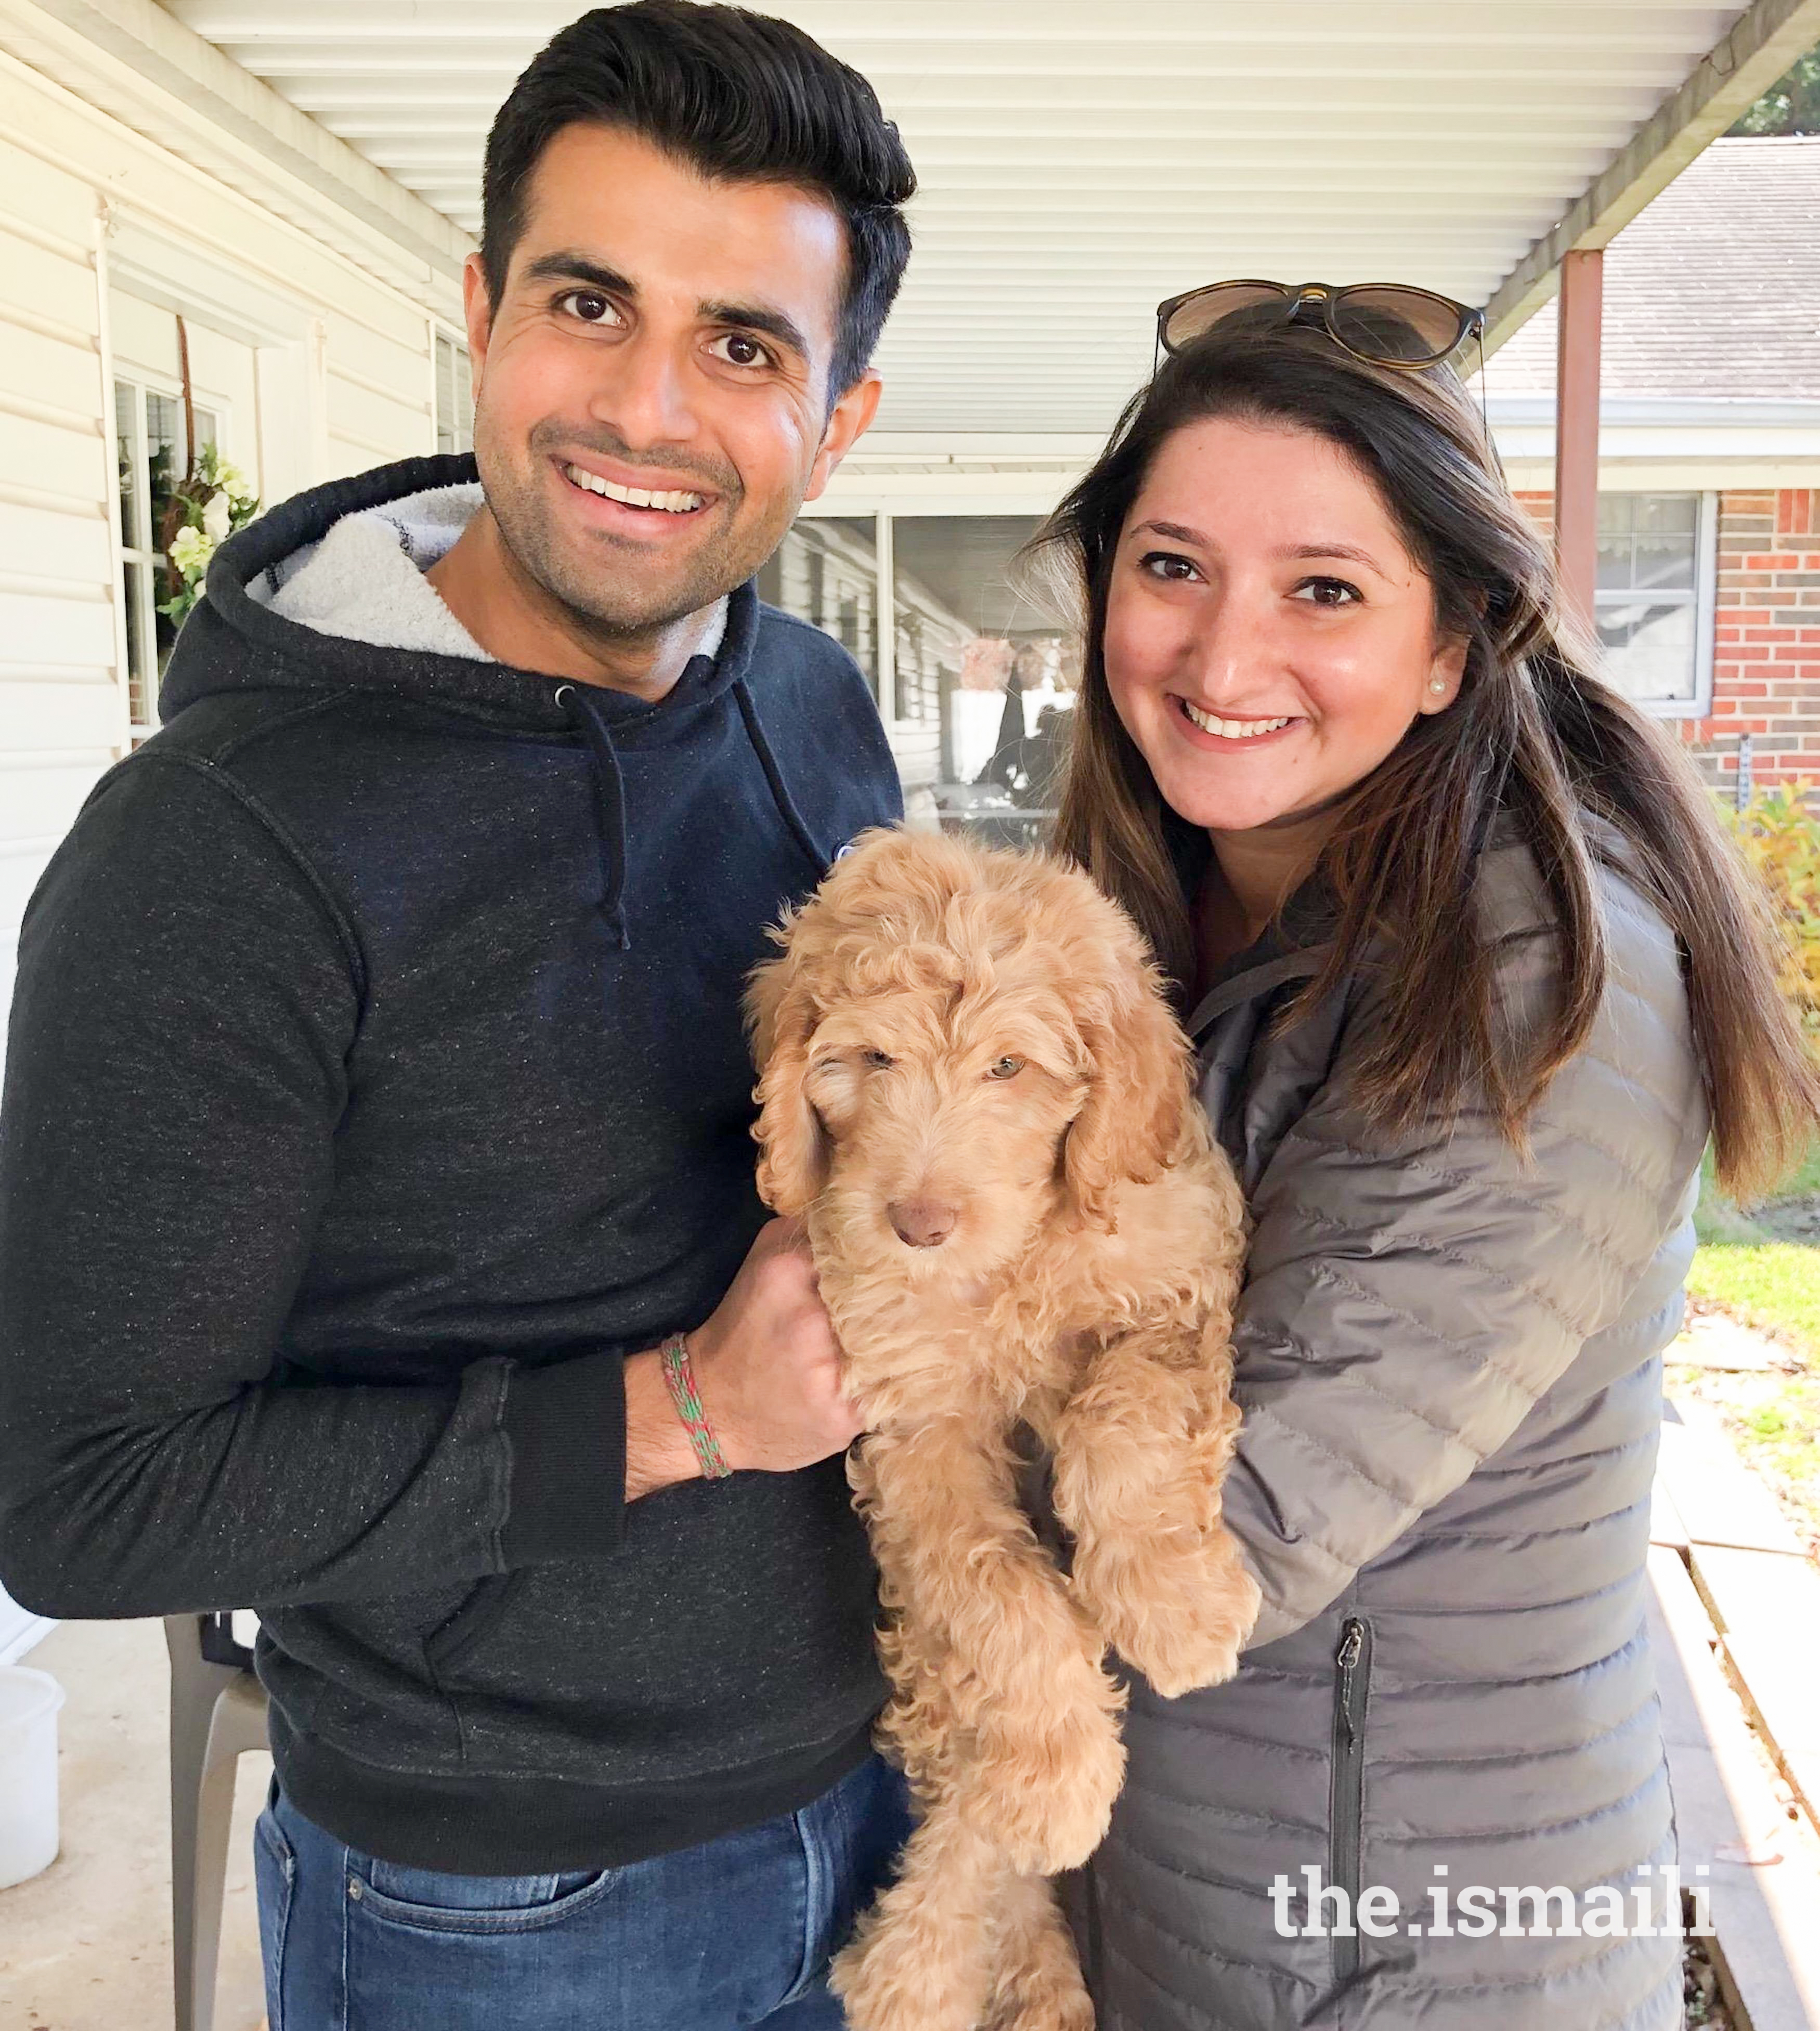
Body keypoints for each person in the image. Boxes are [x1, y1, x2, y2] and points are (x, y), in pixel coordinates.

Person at [0, 6, 920, 2026]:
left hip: (885, 1806)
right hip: (509, 1907)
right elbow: (82, 1493)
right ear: (485, 305)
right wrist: (677, 1411)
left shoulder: (806, 703)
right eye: (591, 301)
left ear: (835, 420)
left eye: (744, 344)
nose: (646, 405)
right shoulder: (217, 852)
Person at [1039, 284, 1820, 2029]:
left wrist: (755, 1409)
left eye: (1324, 589)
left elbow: (1218, 1542)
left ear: (1453, 640)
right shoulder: (1153, 910)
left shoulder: (1547, 992)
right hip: (1196, 1888)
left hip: (1408, 1953)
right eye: (1170, 567)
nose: (1222, 659)